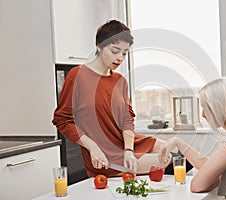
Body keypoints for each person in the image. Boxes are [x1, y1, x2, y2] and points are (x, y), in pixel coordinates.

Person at [52, 20, 170, 178]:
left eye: (124, 53)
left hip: (127, 144)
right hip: (105, 153)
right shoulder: (77, 76)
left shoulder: (120, 81)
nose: (120, 58)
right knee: (171, 161)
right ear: (99, 46)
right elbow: (62, 120)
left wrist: (128, 150)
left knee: (172, 150)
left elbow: (127, 119)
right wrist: (92, 146)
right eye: (115, 51)